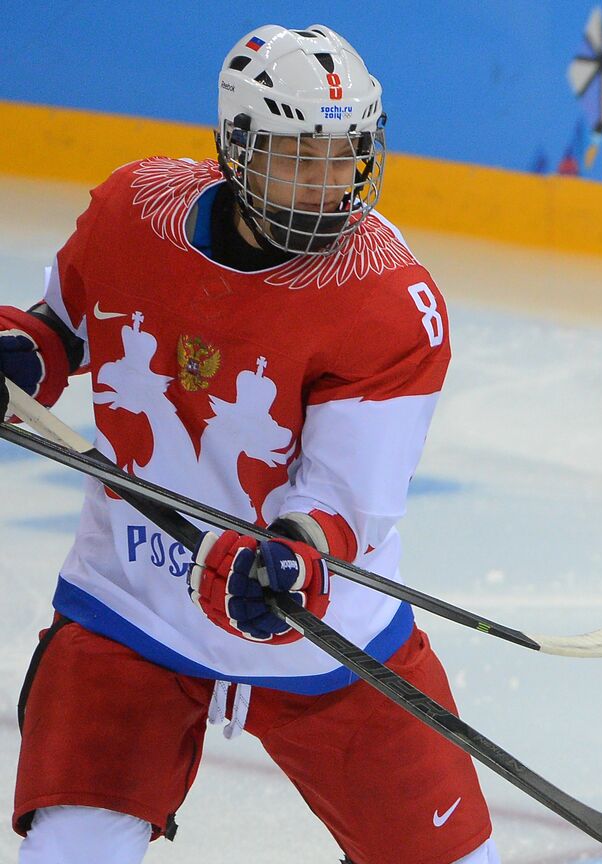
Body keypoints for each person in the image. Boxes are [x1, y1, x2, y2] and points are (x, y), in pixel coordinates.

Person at [0, 25, 494, 864]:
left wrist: (289, 561)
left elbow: (340, 505)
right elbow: (63, 329)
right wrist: (22, 355)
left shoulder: (387, 301)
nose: (330, 182)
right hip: (129, 604)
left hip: (320, 635)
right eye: (300, 155)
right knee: (69, 855)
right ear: (237, 148)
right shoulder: (132, 213)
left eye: (347, 155)